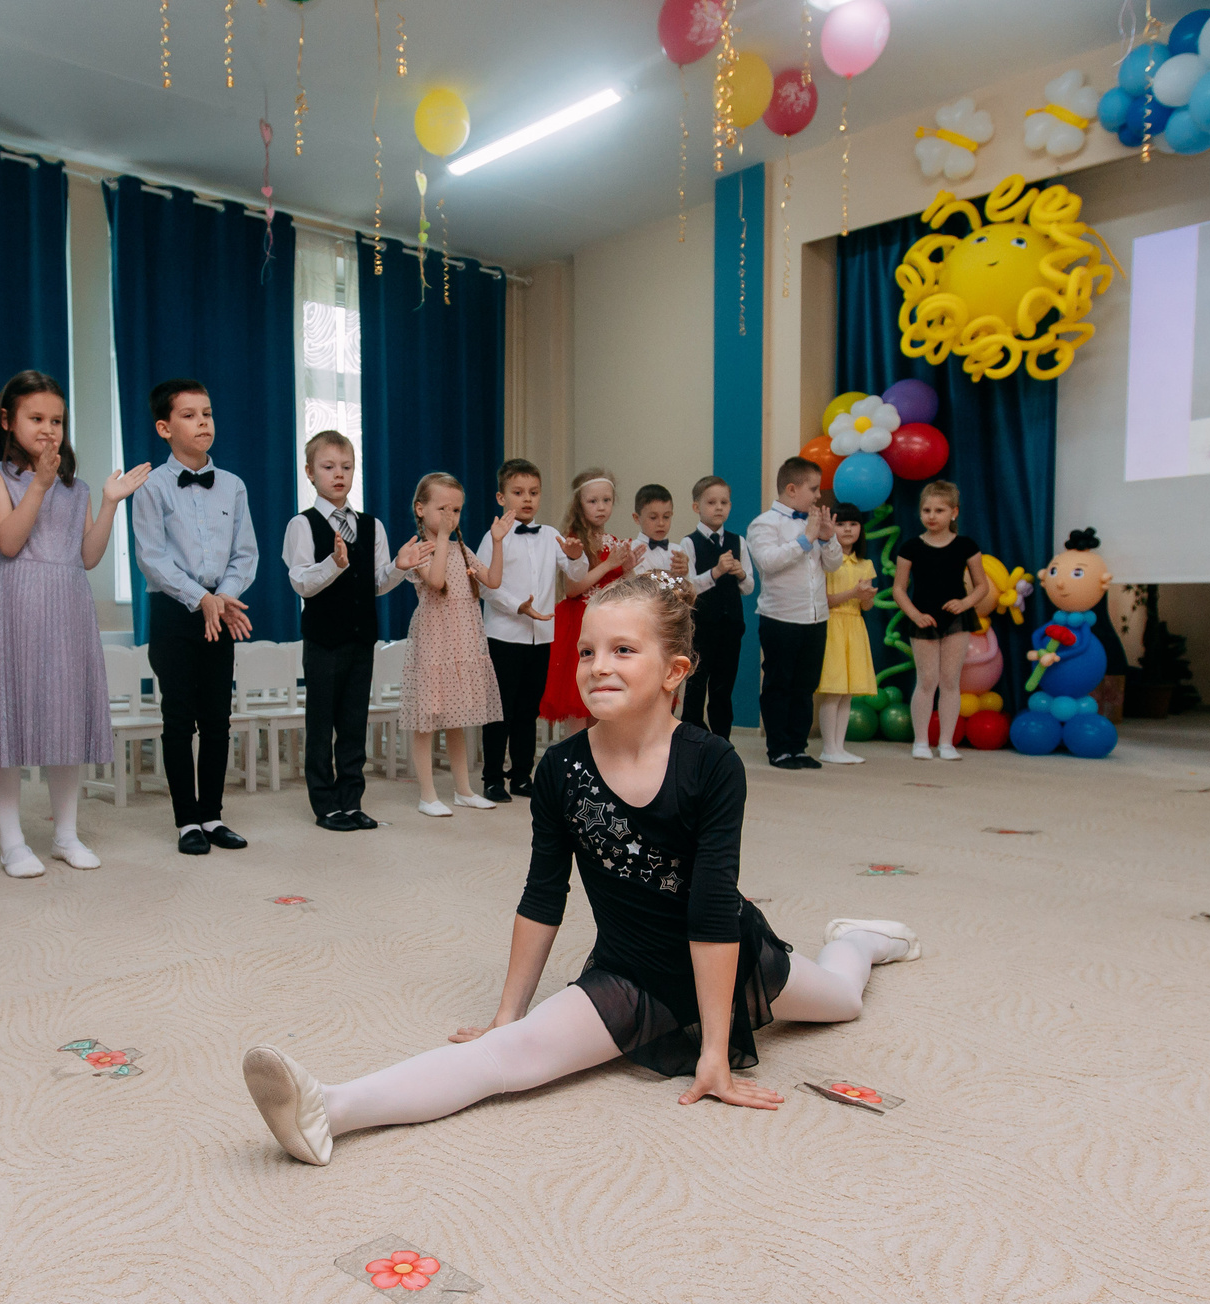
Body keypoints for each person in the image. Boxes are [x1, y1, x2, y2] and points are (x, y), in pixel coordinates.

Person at [239, 570, 925, 1167]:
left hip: (732, 953)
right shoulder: (560, 768)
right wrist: (508, 1012)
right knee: (506, 1060)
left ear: (674, 670)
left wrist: (716, 1048)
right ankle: (330, 1105)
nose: (599, 664)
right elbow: (544, 894)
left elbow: (715, 907)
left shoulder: (712, 763)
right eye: (588, 650)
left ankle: (856, 940)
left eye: (624, 650)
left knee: (843, 1000)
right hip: (628, 975)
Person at [0, 370, 150, 878]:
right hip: (16, 603)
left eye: (57, 420)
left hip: (67, 605)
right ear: (8, 420)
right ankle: (11, 841)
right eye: (36, 418)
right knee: (7, 716)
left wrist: (110, 504)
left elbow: (87, 557)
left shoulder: (78, 487)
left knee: (65, 716)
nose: (49, 429)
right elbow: (7, 541)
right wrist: (39, 486)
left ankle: (65, 835)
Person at [129, 378, 256, 856]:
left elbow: (246, 553)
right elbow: (151, 557)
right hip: (174, 609)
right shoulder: (153, 486)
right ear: (164, 427)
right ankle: (187, 821)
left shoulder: (233, 485)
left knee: (218, 718)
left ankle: (213, 814)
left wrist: (220, 598)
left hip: (220, 608)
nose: (203, 421)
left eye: (207, 412)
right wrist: (197, 597)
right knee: (179, 717)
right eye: (189, 415)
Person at [284, 430, 403, 832]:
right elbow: (301, 582)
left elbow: (376, 582)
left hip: (360, 638)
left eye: (347, 467)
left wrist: (400, 566)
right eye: (329, 467)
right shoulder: (302, 525)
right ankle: (325, 805)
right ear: (310, 473)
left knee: (354, 723)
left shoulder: (371, 525)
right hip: (322, 639)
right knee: (321, 724)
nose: (339, 475)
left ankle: (351, 801)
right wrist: (334, 564)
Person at [394, 472, 506, 817]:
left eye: (455, 510)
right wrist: (443, 535)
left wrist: (498, 541)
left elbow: (493, 580)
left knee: (457, 718)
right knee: (427, 719)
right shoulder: (419, 550)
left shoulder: (462, 548)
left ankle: (463, 790)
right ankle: (428, 794)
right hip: (433, 640)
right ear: (420, 508)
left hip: (462, 638)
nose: (450, 516)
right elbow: (437, 579)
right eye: (442, 508)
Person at [475, 459, 586, 801]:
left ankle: (521, 776)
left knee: (528, 710)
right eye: (518, 492)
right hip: (505, 635)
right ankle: (492, 777)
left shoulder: (551, 535)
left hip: (542, 638)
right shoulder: (495, 537)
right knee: (500, 711)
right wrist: (518, 605)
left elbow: (575, 574)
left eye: (534, 492)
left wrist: (578, 556)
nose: (527, 499)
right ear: (500, 497)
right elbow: (483, 585)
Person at [745, 457, 842, 770]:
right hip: (780, 618)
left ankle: (798, 747)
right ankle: (779, 749)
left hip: (816, 617)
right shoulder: (764, 524)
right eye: (813, 489)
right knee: (779, 683)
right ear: (791, 488)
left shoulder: (813, 523)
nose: (817, 496)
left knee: (805, 685)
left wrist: (827, 538)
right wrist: (807, 539)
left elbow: (833, 565)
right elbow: (768, 561)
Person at [891, 480, 989, 762]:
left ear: (954, 513)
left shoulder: (966, 546)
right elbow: (899, 588)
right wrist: (914, 614)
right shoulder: (910, 547)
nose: (932, 516)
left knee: (949, 680)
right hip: (922, 618)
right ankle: (920, 741)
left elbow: (982, 586)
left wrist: (965, 603)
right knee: (927, 680)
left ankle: (946, 742)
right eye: (926, 510)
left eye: (939, 510)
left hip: (956, 619)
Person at [539, 469, 634, 734]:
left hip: (607, 623)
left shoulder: (612, 541)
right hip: (578, 623)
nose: (601, 507)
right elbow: (572, 589)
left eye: (607, 500)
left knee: (602, 703)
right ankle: (574, 765)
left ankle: (597, 762)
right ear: (579, 504)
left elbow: (623, 589)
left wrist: (627, 568)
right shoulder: (574, 540)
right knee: (578, 703)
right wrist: (609, 565)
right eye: (593, 501)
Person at [680, 475, 754, 738]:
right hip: (701, 627)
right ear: (696, 507)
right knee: (696, 685)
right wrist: (716, 572)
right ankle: (690, 738)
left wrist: (740, 573)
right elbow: (687, 587)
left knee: (724, 688)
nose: (719, 507)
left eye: (724, 502)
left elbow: (749, 587)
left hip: (731, 626)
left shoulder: (739, 541)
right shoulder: (689, 543)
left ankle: (722, 741)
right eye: (711, 502)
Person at [814, 503, 879, 764]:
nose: (848, 529)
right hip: (833, 626)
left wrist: (866, 597)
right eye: (841, 524)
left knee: (847, 692)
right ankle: (828, 747)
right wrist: (853, 593)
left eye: (853, 524)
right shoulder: (827, 559)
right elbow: (824, 599)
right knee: (833, 689)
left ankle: (839, 747)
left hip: (855, 626)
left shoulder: (865, 563)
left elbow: (867, 606)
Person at [626, 484, 694, 592]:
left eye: (666, 517)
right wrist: (627, 569)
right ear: (636, 518)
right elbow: (629, 588)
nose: (661, 523)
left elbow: (691, 590)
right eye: (653, 518)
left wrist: (684, 574)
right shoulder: (631, 550)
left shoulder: (677, 551)